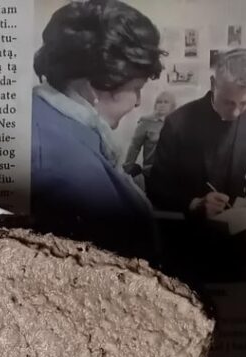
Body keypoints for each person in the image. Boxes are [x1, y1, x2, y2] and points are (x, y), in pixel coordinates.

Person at [31, 0, 165, 260]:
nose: (138, 101)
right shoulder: (67, 170)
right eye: (136, 87)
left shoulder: (42, 117)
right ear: (95, 86)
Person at [146, 48, 246, 218]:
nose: (235, 112)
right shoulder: (177, 123)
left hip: (238, 236)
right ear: (213, 84)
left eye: (244, 103)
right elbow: (155, 188)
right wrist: (195, 203)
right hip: (188, 234)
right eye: (228, 102)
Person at [123, 90, 176, 177]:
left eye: (166, 102)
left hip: (173, 173)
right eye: (159, 102)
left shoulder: (177, 122)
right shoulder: (146, 122)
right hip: (151, 171)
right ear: (155, 105)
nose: (162, 105)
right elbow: (135, 146)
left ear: (172, 105)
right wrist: (128, 166)